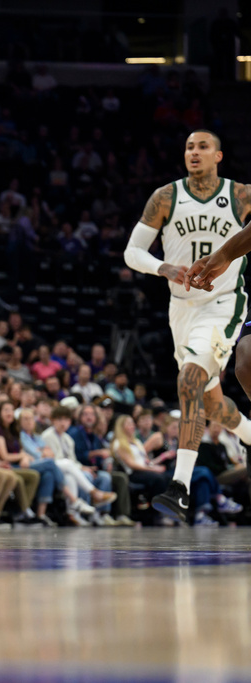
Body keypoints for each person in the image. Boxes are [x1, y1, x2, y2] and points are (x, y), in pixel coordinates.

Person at [124, 129, 251, 521]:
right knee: (212, 405)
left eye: (203, 147)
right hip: (181, 310)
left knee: (190, 380)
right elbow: (132, 252)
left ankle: (179, 487)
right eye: (189, 147)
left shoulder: (241, 194)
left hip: (223, 304)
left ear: (219, 156)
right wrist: (163, 267)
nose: (194, 152)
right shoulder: (165, 196)